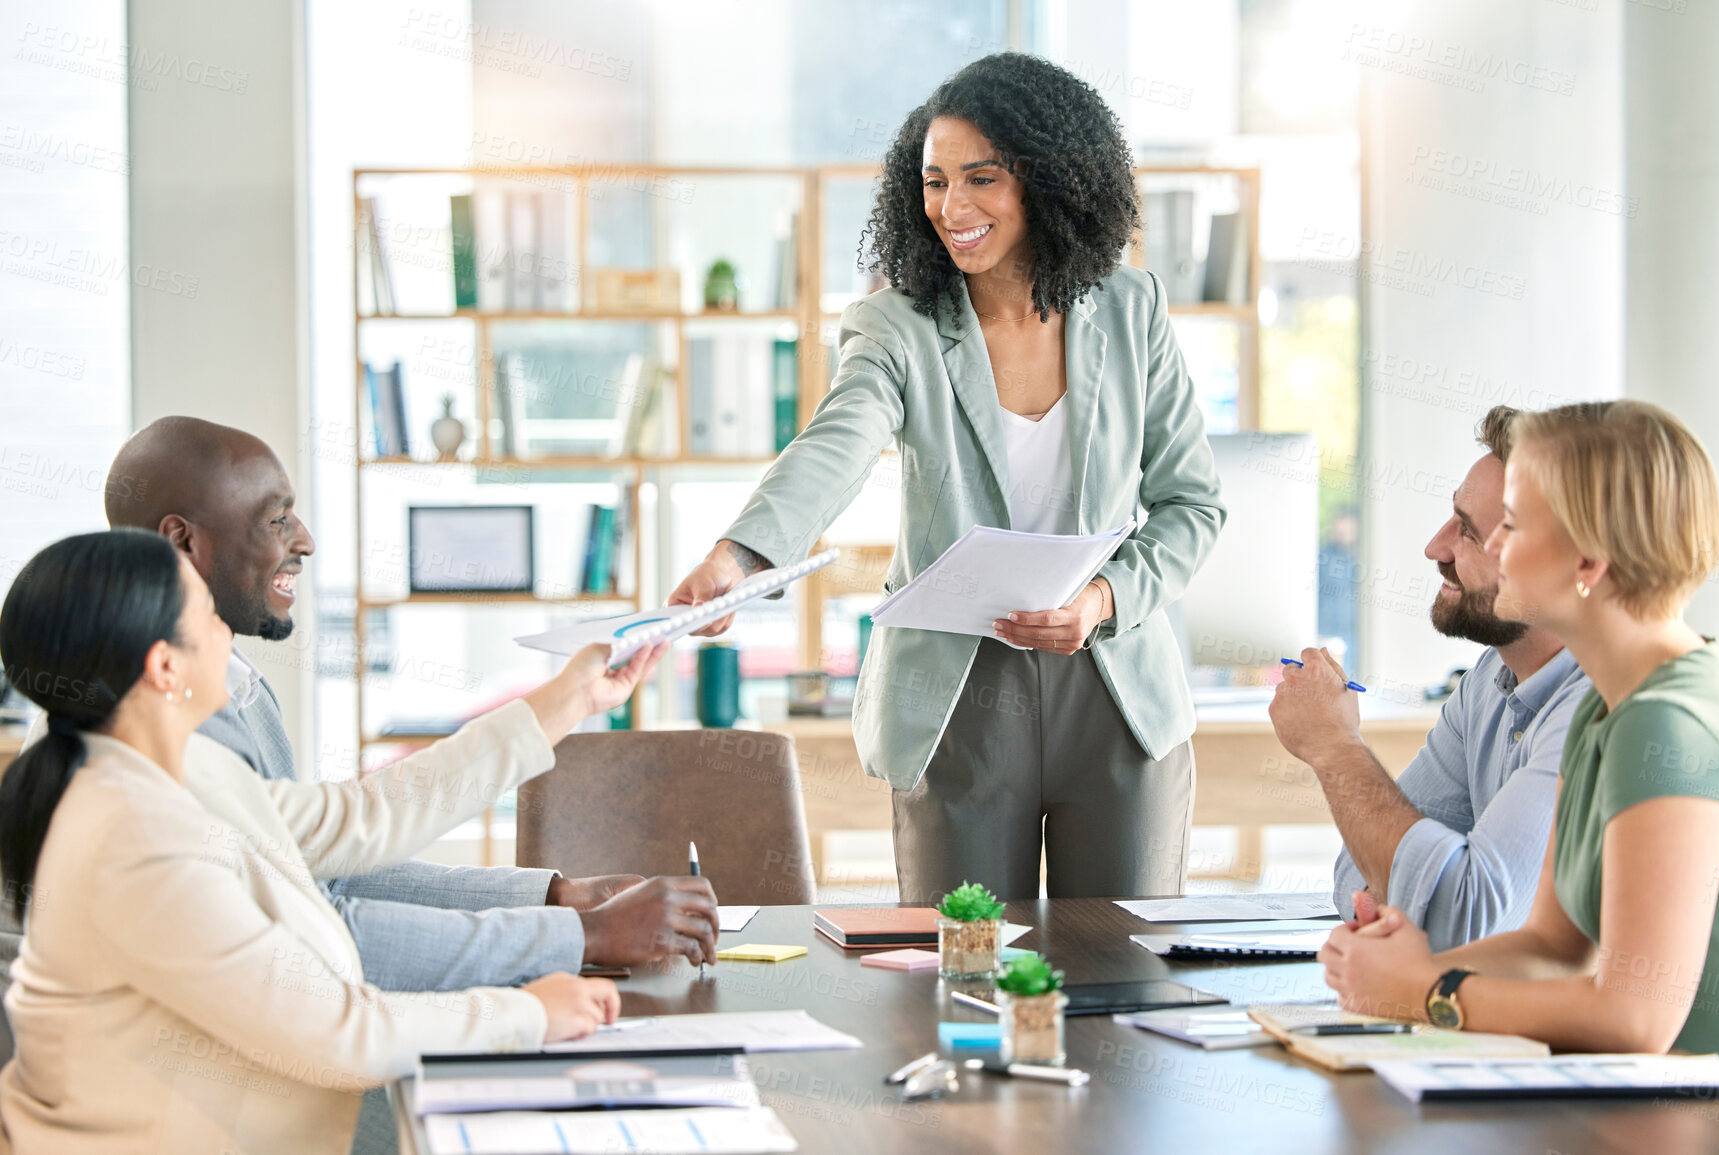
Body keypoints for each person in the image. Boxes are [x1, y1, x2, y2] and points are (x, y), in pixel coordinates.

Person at [668, 53, 1225, 903]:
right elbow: (835, 443)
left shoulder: (1130, 307)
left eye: (980, 178)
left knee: (1122, 977)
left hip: (1113, 687)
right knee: (962, 976)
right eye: (933, 182)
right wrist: (738, 557)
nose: (951, 209)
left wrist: (1103, 599)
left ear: (1048, 179)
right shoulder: (896, 325)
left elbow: (1191, 504)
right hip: (957, 696)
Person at [94, 417, 720, 1155]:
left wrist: (547, 896)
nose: (304, 539)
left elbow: (318, 862)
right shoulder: (167, 741)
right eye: (276, 517)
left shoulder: (221, 686)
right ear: (181, 543)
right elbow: (339, 903)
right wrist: (576, 936)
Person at [0, 529, 660, 1154]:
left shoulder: (179, 767)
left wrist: (568, 698)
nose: (225, 629)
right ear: (164, 665)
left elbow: (359, 817)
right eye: (205, 612)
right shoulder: (134, 839)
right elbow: (337, 1032)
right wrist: (524, 1013)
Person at [1321, 401, 1719, 1058]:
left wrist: (1425, 991)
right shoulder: (1603, 701)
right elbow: (1551, 948)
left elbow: (1637, 1016)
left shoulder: (1669, 719)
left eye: (1510, 525)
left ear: (1588, 561)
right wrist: (1401, 966)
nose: (1491, 549)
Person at [1270, 406, 1591, 950]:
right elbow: (1357, 876)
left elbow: (1460, 918)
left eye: (1469, 532)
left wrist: (1335, 746)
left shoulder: (1595, 707)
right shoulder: (1491, 677)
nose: (1435, 548)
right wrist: (1408, 896)